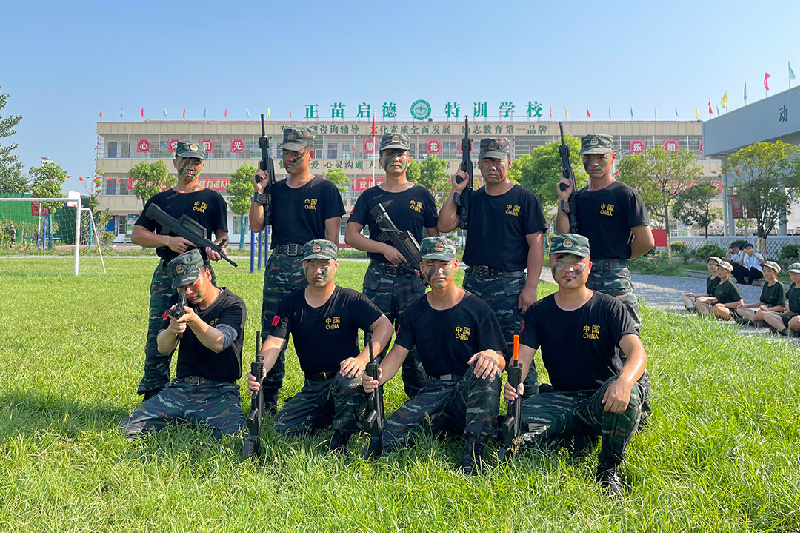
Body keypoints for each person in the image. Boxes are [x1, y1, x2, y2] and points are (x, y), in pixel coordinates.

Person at [503, 234, 648, 496]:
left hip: (600, 399)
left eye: (576, 261)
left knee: (630, 396)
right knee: (512, 431)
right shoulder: (539, 312)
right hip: (560, 398)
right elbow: (522, 358)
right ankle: (576, 437)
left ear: (589, 266)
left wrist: (624, 381)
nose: (568, 267)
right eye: (561, 259)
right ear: (551, 265)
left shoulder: (609, 307)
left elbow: (636, 351)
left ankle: (608, 469)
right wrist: (515, 383)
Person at [362, 237, 506, 474]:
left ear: (455, 265)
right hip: (434, 390)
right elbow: (397, 354)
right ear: (421, 267)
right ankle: (447, 427)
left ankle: (474, 452)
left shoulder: (478, 309)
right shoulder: (414, 311)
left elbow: (500, 359)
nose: (437, 270)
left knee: (487, 371)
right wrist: (377, 377)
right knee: (389, 436)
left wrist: (491, 356)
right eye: (431, 264)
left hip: (468, 389)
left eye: (444, 264)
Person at [246, 239, 393, 451]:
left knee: (349, 382)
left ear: (335, 265)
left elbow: (385, 326)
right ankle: (330, 414)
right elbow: (274, 342)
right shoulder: (291, 303)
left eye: (324, 264)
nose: (317, 271)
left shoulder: (350, 299)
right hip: (313, 386)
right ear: (303, 266)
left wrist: (362, 359)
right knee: (282, 428)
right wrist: (261, 369)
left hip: (345, 378)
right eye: (311, 264)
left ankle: (342, 436)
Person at [437, 137, 547, 394]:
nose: (492, 168)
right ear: (478, 165)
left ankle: (527, 405)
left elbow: (536, 243)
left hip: (509, 286)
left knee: (514, 349)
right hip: (474, 283)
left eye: (498, 161)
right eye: (486, 162)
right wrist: (456, 191)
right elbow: (444, 225)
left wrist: (530, 288)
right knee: (471, 343)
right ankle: (476, 402)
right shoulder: (472, 198)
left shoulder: (523, 198)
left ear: (509, 162)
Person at [250, 127, 345, 413]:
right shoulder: (275, 190)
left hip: (311, 266)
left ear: (310, 153)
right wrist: (259, 192)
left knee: (315, 329)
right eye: (285, 153)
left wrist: (326, 271)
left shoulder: (325, 189)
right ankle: (267, 399)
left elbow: (332, 239)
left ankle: (318, 394)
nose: (289, 158)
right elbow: (256, 225)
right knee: (273, 328)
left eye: (295, 153)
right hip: (279, 264)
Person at [131, 140, 229, 401]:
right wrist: (168, 241)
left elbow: (222, 235)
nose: (190, 166)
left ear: (202, 165)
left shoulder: (212, 199)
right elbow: (137, 235)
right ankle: (153, 393)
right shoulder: (160, 200)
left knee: (202, 329)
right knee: (159, 331)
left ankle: (202, 390)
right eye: (185, 160)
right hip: (167, 276)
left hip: (199, 276)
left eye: (195, 161)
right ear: (175, 162)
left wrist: (217, 248)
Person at [344, 133, 438, 398]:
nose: (395, 158)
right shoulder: (370, 196)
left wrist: (426, 266)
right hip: (379, 278)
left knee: (416, 342)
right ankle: (369, 400)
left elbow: (433, 238)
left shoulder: (422, 195)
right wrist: (384, 248)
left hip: (413, 279)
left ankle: (418, 404)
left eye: (400, 153)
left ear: (409, 159)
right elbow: (351, 236)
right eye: (389, 153)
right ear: (380, 159)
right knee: (375, 339)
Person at [120, 249, 246, 438]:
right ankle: (187, 417)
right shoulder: (177, 301)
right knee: (128, 429)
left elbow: (219, 342)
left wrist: (193, 320)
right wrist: (172, 329)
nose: (188, 292)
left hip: (219, 390)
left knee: (234, 436)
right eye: (182, 287)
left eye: (192, 283)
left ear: (208, 274)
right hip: (181, 388)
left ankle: (192, 418)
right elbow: (163, 348)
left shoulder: (232, 304)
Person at [555, 134, 654, 330]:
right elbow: (565, 236)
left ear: (613, 157)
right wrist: (563, 200)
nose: (594, 163)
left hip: (614, 278)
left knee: (625, 333)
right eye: (588, 157)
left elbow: (646, 241)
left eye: (601, 157)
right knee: (583, 333)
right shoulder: (578, 197)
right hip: (582, 276)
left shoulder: (625, 194)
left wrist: (619, 257)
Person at [735, 261, 785, 325]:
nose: (766, 273)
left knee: (761, 313)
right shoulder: (766, 284)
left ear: (776, 272)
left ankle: (752, 320)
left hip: (773, 312)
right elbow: (762, 302)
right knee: (740, 309)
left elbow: (781, 307)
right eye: (764, 271)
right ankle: (756, 320)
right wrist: (747, 306)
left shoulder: (779, 286)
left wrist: (767, 309)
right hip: (763, 310)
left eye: (769, 271)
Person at [763, 262, 800, 337]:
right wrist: (781, 314)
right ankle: (785, 330)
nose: (793, 276)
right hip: (792, 316)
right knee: (767, 315)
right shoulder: (793, 288)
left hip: (797, 319)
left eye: (796, 274)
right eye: (791, 274)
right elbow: (792, 310)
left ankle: (779, 328)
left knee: (794, 321)